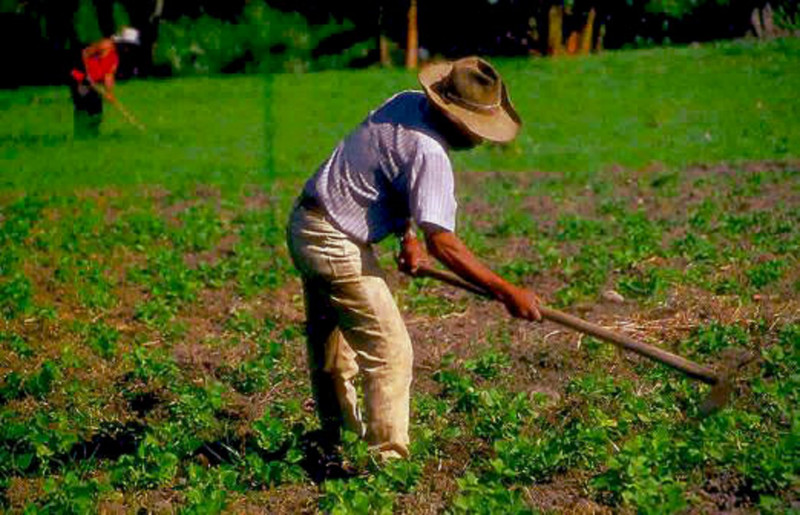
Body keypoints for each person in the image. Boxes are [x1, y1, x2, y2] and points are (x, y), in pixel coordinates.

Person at [286, 57, 542, 463]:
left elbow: (388, 168)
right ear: (456, 118)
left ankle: (336, 442)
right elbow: (445, 245)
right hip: (335, 242)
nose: (480, 140)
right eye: (477, 131)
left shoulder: (405, 103)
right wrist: (507, 291)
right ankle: (388, 461)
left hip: (307, 221)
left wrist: (406, 236)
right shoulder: (430, 152)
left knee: (334, 351)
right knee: (390, 351)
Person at [69, 28, 139, 138]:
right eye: (127, 45)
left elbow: (108, 75)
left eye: (130, 46)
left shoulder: (115, 57)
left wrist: (109, 93)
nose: (128, 49)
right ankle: (80, 134)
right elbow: (85, 53)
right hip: (79, 76)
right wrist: (86, 72)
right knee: (84, 103)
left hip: (92, 81)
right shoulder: (106, 45)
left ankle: (92, 135)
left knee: (97, 109)